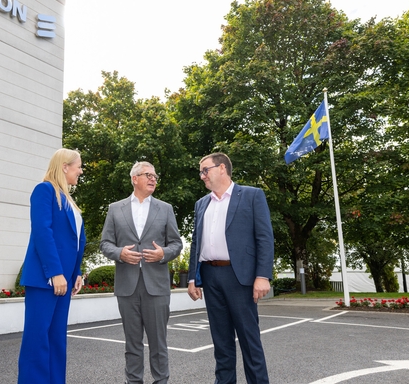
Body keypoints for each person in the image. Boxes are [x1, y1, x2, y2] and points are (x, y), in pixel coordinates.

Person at [187, 152, 274, 384]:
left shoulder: (251, 195)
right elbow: (196, 242)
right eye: (200, 171)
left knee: (249, 340)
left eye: (205, 170)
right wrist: (191, 278)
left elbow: (264, 238)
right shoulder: (201, 204)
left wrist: (263, 275)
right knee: (221, 342)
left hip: (240, 278)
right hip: (210, 275)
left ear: (222, 168)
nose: (202, 176)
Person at [100, 161, 183, 384]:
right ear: (135, 178)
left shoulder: (165, 209)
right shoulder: (115, 209)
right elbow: (105, 243)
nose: (153, 179)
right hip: (127, 286)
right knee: (132, 344)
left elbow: (176, 244)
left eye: (155, 176)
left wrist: (163, 254)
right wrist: (120, 253)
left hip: (156, 286)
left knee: (158, 343)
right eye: (148, 175)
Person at [18, 148, 86, 383]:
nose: (80, 170)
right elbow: (42, 233)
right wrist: (56, 272)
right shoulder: (44, 190)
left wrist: (76, 273)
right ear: (65, 166)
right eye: (78, 165)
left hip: (64, 282)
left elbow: (75, 241)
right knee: (37, 340)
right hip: (45, 279)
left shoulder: (68, 200)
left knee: (56, 339)